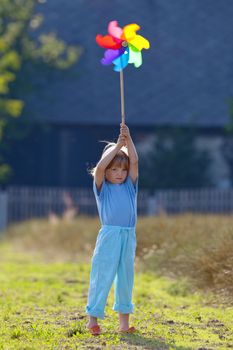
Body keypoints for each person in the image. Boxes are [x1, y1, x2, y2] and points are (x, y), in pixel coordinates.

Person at [86, 123, 138, 336]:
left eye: (122, 170)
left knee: (126, 279)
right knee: (102, 275)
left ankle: (124, 325)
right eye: (114, 169)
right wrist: (117, 147)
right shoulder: (102, 188)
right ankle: (92, 320)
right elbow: (99, 168)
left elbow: (134, 160)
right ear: (106, 171)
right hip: (110, 236)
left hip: (128, 235)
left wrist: (129, 140)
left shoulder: (130, 187)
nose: (119, 173)